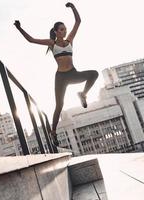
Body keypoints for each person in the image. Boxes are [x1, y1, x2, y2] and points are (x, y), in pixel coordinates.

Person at [14, 2, 98, 147]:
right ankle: (53, 131)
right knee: (59, 105)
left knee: (94, 74)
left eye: (65, 29)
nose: (65, 32)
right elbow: (31, 40)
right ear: (56, 31)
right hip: (61, 78)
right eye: (62, 30)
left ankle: (83, 94)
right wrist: (19, 28)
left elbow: (78, 21)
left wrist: (73, 7)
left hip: (73, 73)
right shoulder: (51, 43)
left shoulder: (69, 40)